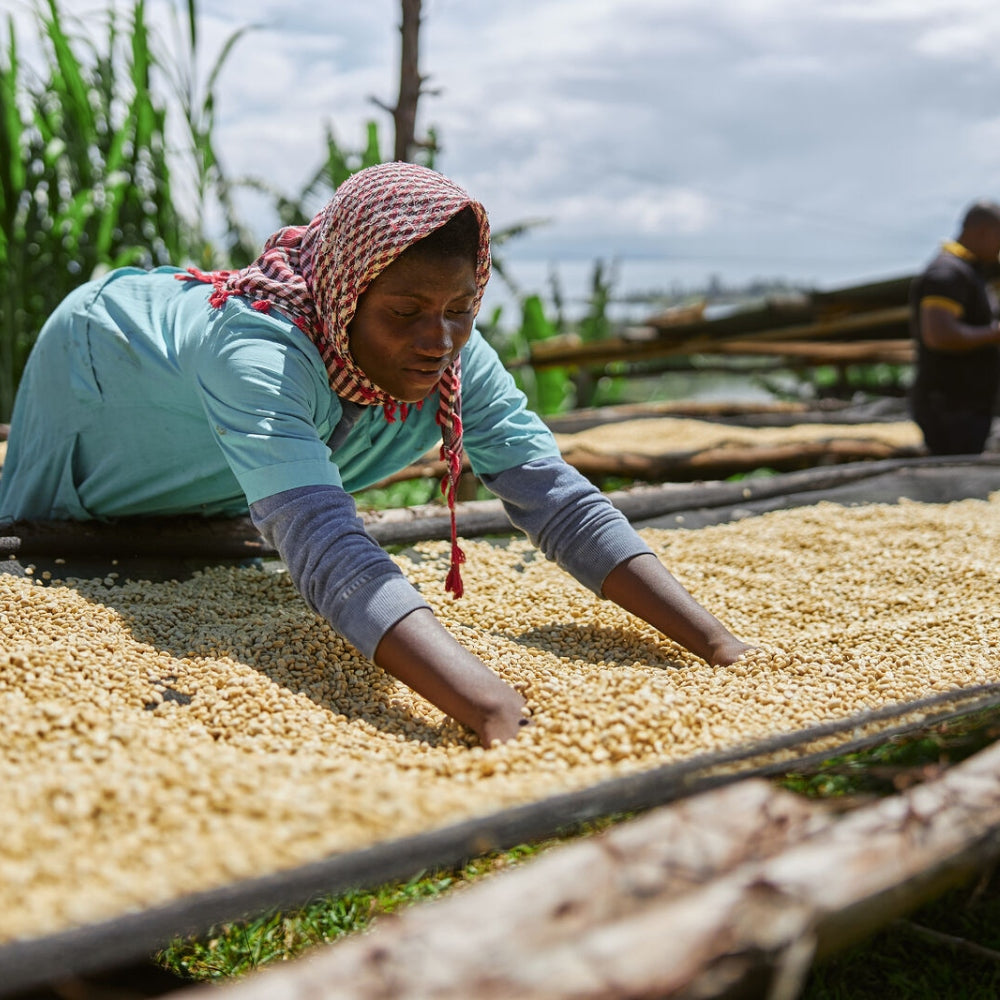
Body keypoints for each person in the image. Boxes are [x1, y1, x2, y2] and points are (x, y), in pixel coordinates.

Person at [0, 162, 751, 747]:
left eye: (460, 310)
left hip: (242, 416)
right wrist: (489, 706)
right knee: (48, 546)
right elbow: (326, 542)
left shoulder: (452, 350)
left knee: (220, 504)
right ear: (345, 291)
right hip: (102, 374)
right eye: (406, 312)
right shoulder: (257, 349)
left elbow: (553, 494)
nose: (440, 339)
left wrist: (718, 646)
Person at [909, 200, 1000, 455]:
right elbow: (939, 335)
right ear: (984, 231)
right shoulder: (947, 274)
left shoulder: (968, 273)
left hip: (965, 404)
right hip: (949, 405)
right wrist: (995, 333)